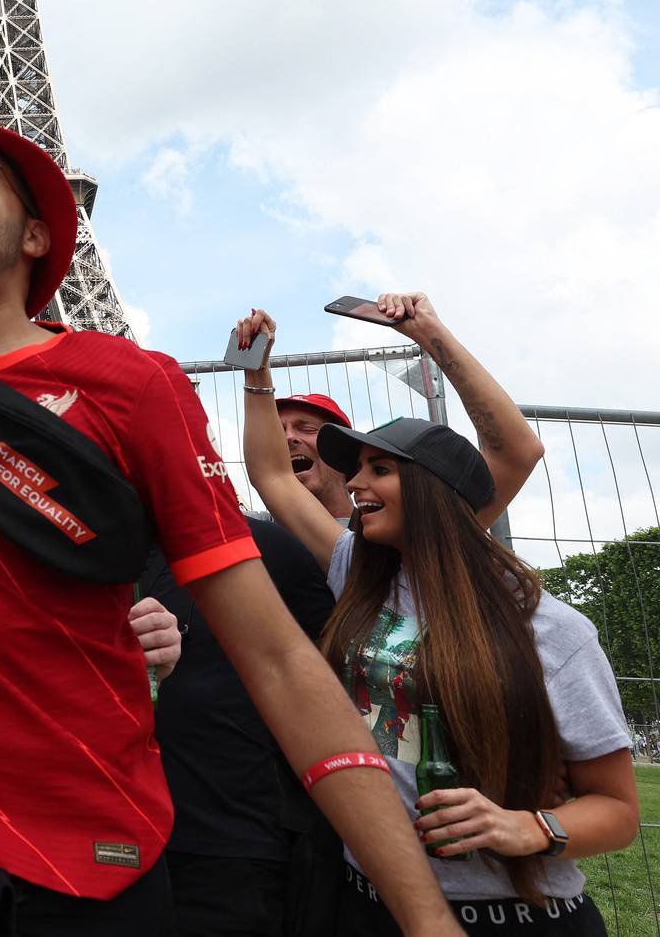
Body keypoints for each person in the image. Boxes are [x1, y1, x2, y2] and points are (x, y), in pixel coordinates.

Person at [0, 12, 460, 935]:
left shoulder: (132, 386)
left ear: (34, 237)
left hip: (80, 857)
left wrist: (426, 921)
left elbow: (273, 656)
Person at [237, 301, 635, 935]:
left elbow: (618, 812)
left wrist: (526, 826)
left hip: (514, 913)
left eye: (380, 469)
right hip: (374, 901)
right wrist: (253, 370)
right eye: (358, 467)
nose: (357, 484)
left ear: (437, 495)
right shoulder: (358, 570)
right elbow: (271, 478)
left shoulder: (548, 628)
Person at [142, 517, 335, 937]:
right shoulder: (84, 551)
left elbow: (330, 687)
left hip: (234, 851)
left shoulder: (270, 550)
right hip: (112, 846)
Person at [278, 392, 357, 524]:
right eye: (278, 433)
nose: (288, 437)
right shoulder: (249, 533)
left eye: (308, 429)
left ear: (345, 451)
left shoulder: (388, 538)